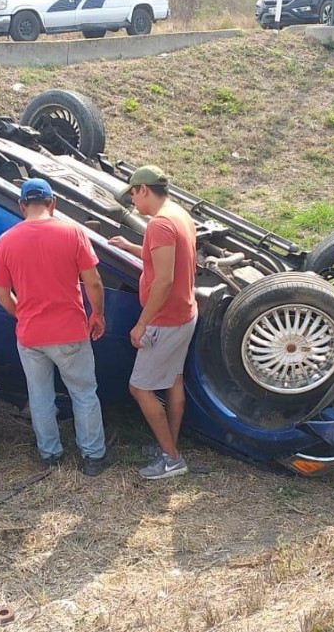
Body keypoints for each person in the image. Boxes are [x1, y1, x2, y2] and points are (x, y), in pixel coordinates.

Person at [0, 178, 110, 476]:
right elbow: (93, 280)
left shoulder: (6, 240)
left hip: (30, 335)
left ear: (22, 205)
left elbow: (1, 294)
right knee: (83, 393)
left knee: (39, 396)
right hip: (70, 331)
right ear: (53, 203)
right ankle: (93, 457)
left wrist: (23, 314)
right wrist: (98, 314)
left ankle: (50, 454)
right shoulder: (72, 232)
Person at [108, 166, 197, 480]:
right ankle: (168, 445)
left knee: (140, 388)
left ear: (143, 189)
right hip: (185, 312)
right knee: (173, 379)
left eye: (133, 193)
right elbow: (169, 258)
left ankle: (172, 459)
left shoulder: (159, 224)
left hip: (164, 318)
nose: (133, 200)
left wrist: (142, 323)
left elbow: (162, 281)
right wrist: (132, 247)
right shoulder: (178, 215)